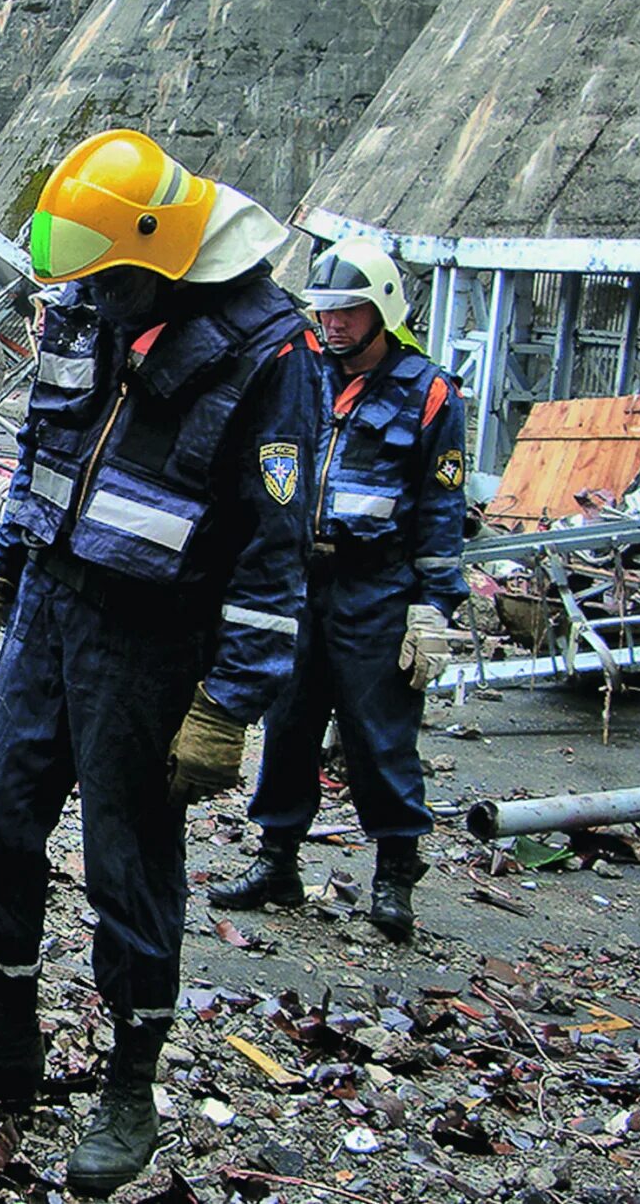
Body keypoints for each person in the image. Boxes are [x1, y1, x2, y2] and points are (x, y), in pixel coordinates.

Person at [0, 130, 318, 1195]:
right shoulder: (89, 299)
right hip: (48, 602)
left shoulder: (272, 352)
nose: (84, 297)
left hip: (153, 635)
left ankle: (129, 1079)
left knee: (128, 862)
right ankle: (7, 1031)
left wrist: (225, 705)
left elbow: (276, 549)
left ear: (156, 256)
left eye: (102, 280)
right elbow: (45, 446)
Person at [210, 238, 466, 942]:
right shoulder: (302, 375)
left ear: (382, 309)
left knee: (379, 738)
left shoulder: (430, 391)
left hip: (376, 588)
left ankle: (393, 879)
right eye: (325, 310)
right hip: (298, 583)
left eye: (349, 311)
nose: (334, 324)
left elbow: (442, 508)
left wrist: (434, 607)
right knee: (287, 727)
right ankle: (276, 861)